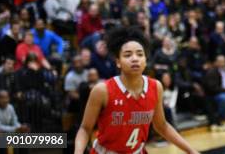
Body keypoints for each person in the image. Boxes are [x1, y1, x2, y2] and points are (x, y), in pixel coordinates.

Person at [74, 26, 197, 154]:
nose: (135, 58)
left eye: (140, 54)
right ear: (118, 62)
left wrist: (191, 151)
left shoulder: (155, 87)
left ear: (145, 60)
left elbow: (162, 126)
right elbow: (85, 128)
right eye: (128, 55)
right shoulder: (102, 90)